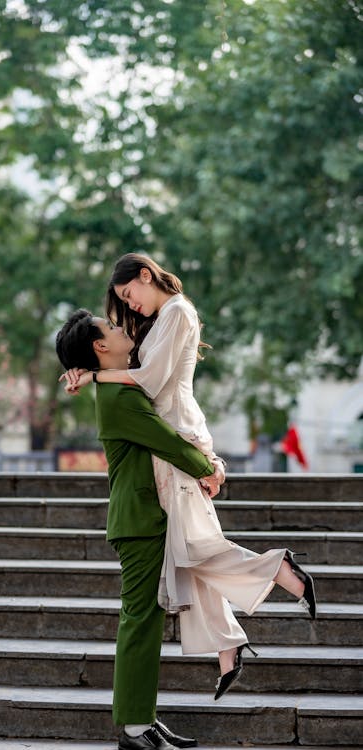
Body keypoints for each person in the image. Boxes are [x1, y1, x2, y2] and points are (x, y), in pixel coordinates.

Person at [61, 253, 317, 702]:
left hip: (177, 436)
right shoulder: (161, 318)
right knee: (188, 551)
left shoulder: (178, 311)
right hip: (170, 441)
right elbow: (131, 367)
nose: (130, 307)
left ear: (145, 275)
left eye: (128, 294)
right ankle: (229, 647)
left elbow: (151, 379)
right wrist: (89, 368)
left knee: (195, 548)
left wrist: (97, 373)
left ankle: (276, 570)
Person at [56, 309, 220, 750]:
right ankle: (133, 728)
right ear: (100, 348)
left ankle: (142, 719)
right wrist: (212, 468)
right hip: (138, 520)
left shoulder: (118, 387)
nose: (120, 328)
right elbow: (166, 441)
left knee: (146, 621)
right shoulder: (119, 399)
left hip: (144, 517)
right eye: (110, 328)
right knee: (139, 620)